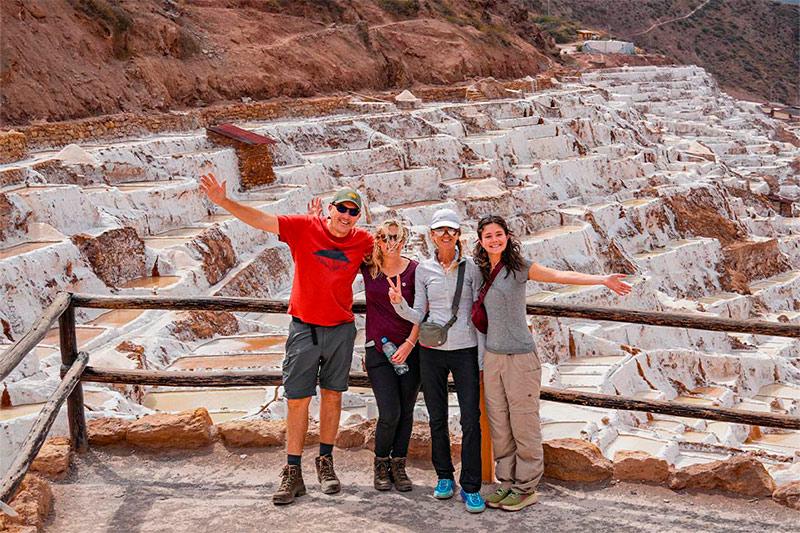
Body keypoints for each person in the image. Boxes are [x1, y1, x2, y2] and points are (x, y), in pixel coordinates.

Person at [199, 173, 373, 505]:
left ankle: (325, 462)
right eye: (341, 209)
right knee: (297, 400)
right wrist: (223, 202)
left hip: (339, 329)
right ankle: (292, 471)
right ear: (329, 209)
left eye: (353, 212)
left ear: (357, 218)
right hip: (304, 327)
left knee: (333, 397)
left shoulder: (362, 240)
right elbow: (262, 220)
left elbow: (386, 257)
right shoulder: (303, 227)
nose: (346, 216)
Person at [473, 214, 632, 512]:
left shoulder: (518, 268)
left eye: (498, 234)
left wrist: (602, 279)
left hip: (520, 357)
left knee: (524, 423)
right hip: (493, 357)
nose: (494, 240)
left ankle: (526, 487)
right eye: (488, 236)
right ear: (480, 241)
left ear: (507, 236)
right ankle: (506, 482)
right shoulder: (479, 271)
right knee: (499, 423)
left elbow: (558, 277)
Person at [388, 208, 486, 514]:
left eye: (451, 230)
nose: (446, 235)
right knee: (437, 417)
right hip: (431, 352)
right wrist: (399, 305)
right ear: (431, 235)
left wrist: (483, 356)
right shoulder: (424, 270)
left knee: (470, 418)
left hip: (466, 349)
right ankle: (444, 476)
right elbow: (420, 313)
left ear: (458, 235)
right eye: (440, 230)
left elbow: (480, 310)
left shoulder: (471, 268)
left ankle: (471, 486)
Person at [361, 220, 421, 491]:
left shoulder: (415, 271)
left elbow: (423, 312)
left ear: (404, 239)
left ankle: (399, 465)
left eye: (396, 237)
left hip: (410, 350)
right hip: (378, 350)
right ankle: (381, 463)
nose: (391, 243)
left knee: (406, 412)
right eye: (386, 238)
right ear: (379, 241)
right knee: (390, 411)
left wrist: (409, 344)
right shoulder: (369, 268)